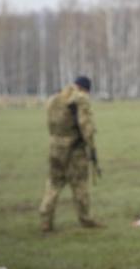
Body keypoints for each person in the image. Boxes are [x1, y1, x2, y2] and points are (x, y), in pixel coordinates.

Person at [39, 75, 100, 232]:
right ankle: (86, 219)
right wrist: (92, 149)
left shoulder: (55, 98)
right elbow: (86, 126)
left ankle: (45, 219)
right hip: (74, 150)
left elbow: (50, 124)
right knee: (80, 185)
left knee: (53, 183)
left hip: (55, 148)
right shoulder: (80, 99)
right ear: (85, 89)